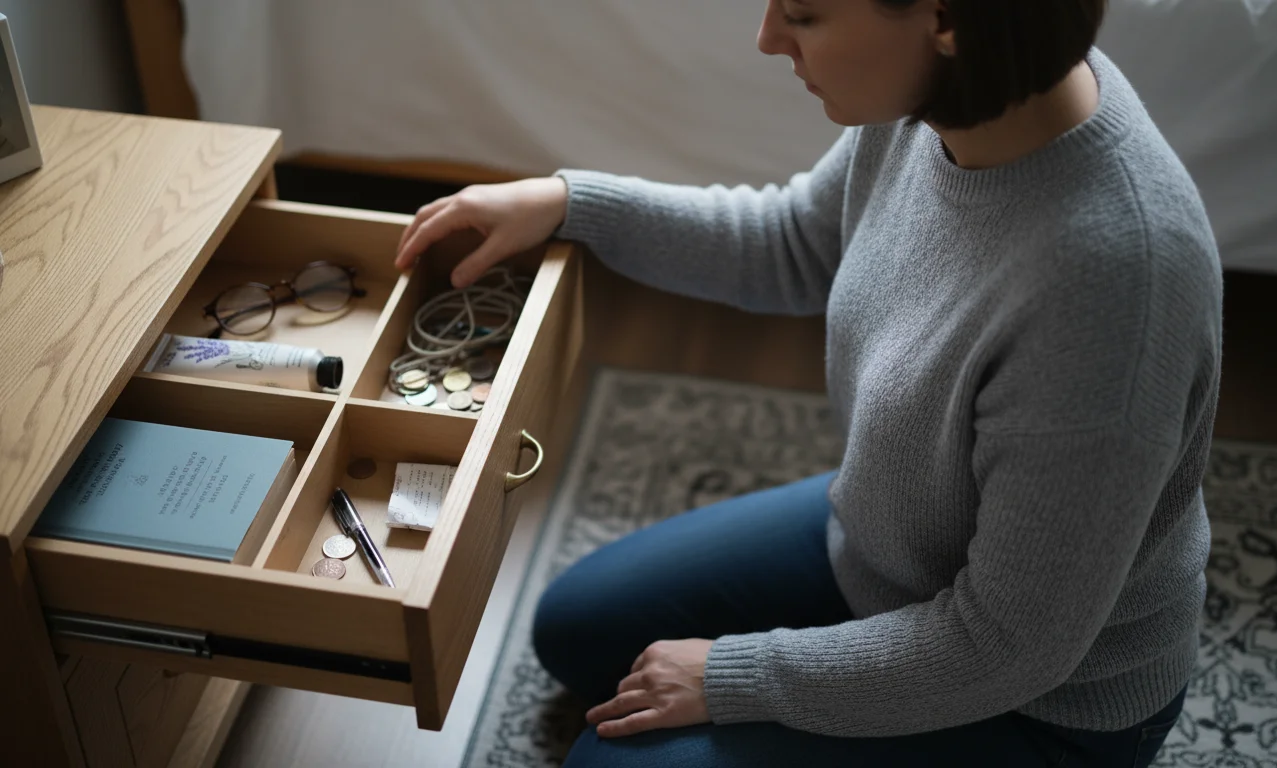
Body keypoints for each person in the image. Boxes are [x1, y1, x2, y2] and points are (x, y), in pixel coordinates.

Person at [394, 0, 1222, 764]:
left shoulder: (1113, 286)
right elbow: (796, 240)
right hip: (895, 548)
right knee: (578, 630)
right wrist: (573, 202)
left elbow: (1009, 646)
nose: (768, 37)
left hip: (1042, 706)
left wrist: (734, 676)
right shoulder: (954, 101)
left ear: (945, 18)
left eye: (803, 12)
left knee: (609, 758)